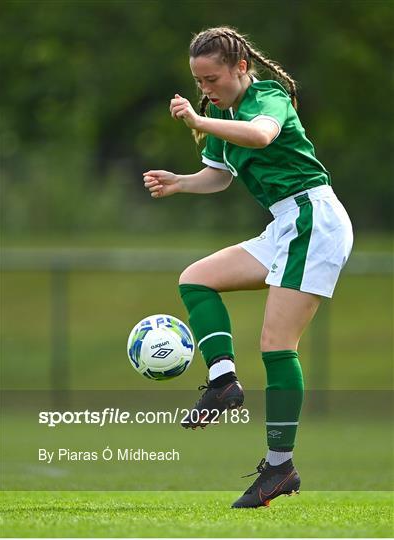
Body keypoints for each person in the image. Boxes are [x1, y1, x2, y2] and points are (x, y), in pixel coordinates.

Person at [143, 26, 353, 508]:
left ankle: (280, 469)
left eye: (212, 79)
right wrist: (180, 182)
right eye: (198, 82)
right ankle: (222, 381)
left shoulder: (267, 96)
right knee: (195, 278)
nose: (205, 89)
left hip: (313, 219)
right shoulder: (221, 112)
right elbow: (218, 177)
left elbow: (261, 136)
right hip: (285, 223)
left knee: (277, 344)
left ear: (240, 67)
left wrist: (200, 117)